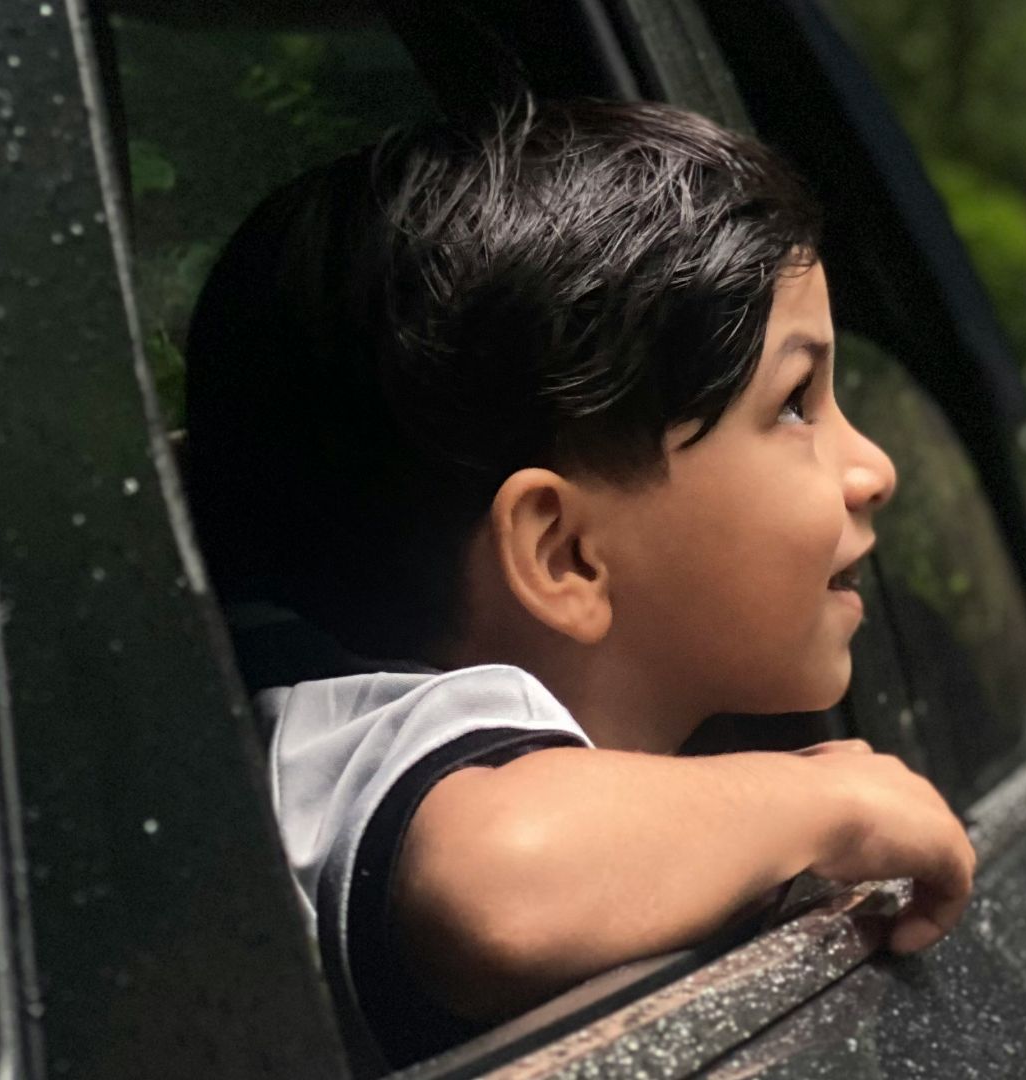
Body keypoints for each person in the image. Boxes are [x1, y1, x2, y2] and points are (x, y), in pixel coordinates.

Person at [182, 99, 975, 1068]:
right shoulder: (371, 744)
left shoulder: (261, 715)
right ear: (565, 555)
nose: (875, 467)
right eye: (797, 404)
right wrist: (828, 801)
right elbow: (500, 884)